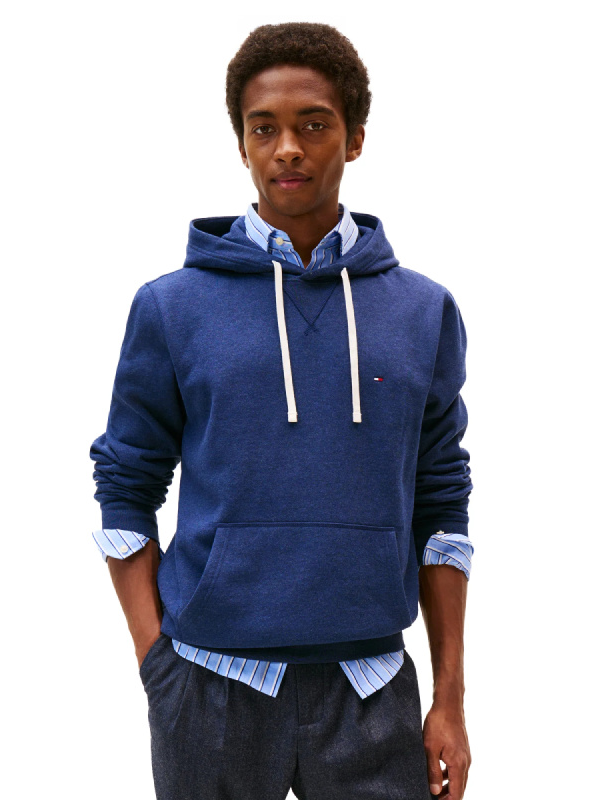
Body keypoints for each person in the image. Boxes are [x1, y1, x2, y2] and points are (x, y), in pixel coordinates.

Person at [90, 21, 474, 800]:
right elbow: (125, 485)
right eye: (264, 128)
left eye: (313, 125)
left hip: (371, 686)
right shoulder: (172, 307)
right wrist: (156, 662)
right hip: (209, 687)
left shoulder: (422, 310)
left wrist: (450, 697)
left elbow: (443, 507)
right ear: (242, 145)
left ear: (355, 139)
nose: (288, 148)